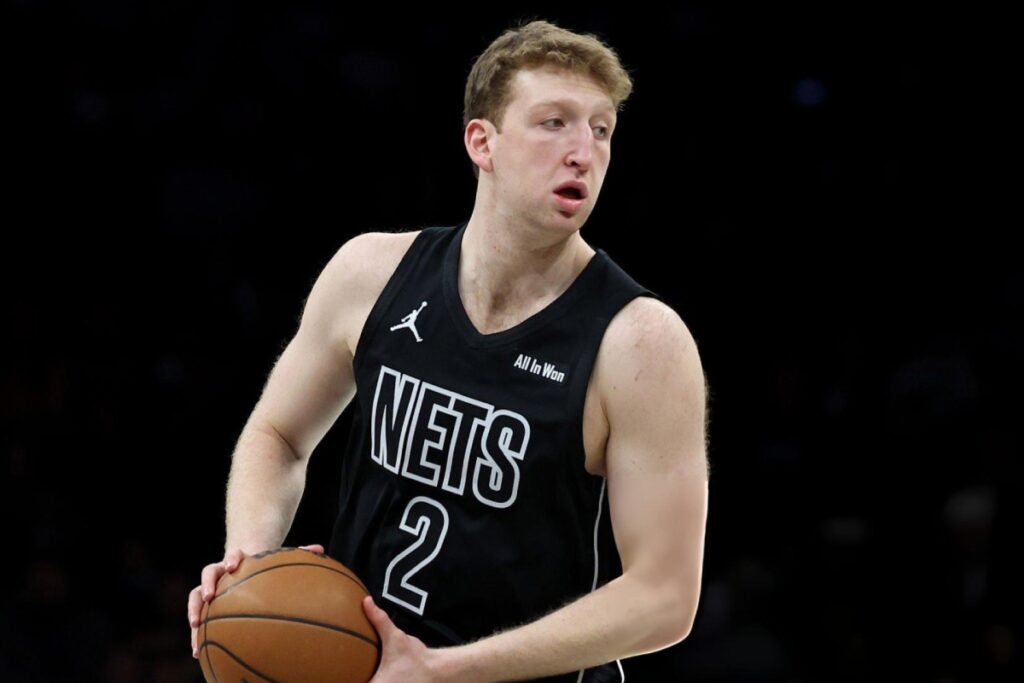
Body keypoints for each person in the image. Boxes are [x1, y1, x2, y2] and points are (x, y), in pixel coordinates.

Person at [187, 18, 709, 683]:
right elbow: (279, 433)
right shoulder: (370, 272)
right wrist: (250, 566)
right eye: (554, 123)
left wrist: (443, 669)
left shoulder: (640, 342)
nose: (584, 150)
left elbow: (665, 597)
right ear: (481, 142)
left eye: (601, 129)